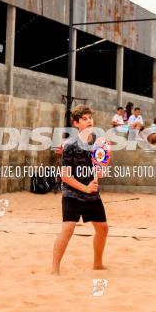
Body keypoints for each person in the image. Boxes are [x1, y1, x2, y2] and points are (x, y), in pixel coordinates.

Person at [52, 105, 108, 275]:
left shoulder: (98, 142)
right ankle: (55, 270)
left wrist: (100, 172)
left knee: (103, 228)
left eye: (90, 117)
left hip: (91, 194)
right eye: (84, 118)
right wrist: (85, 187)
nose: (89, 120)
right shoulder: (70, 145)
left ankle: (97, 263)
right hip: (73, 194)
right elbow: (65, 176)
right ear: (76, 123)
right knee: (68, 229)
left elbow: (100, 166)